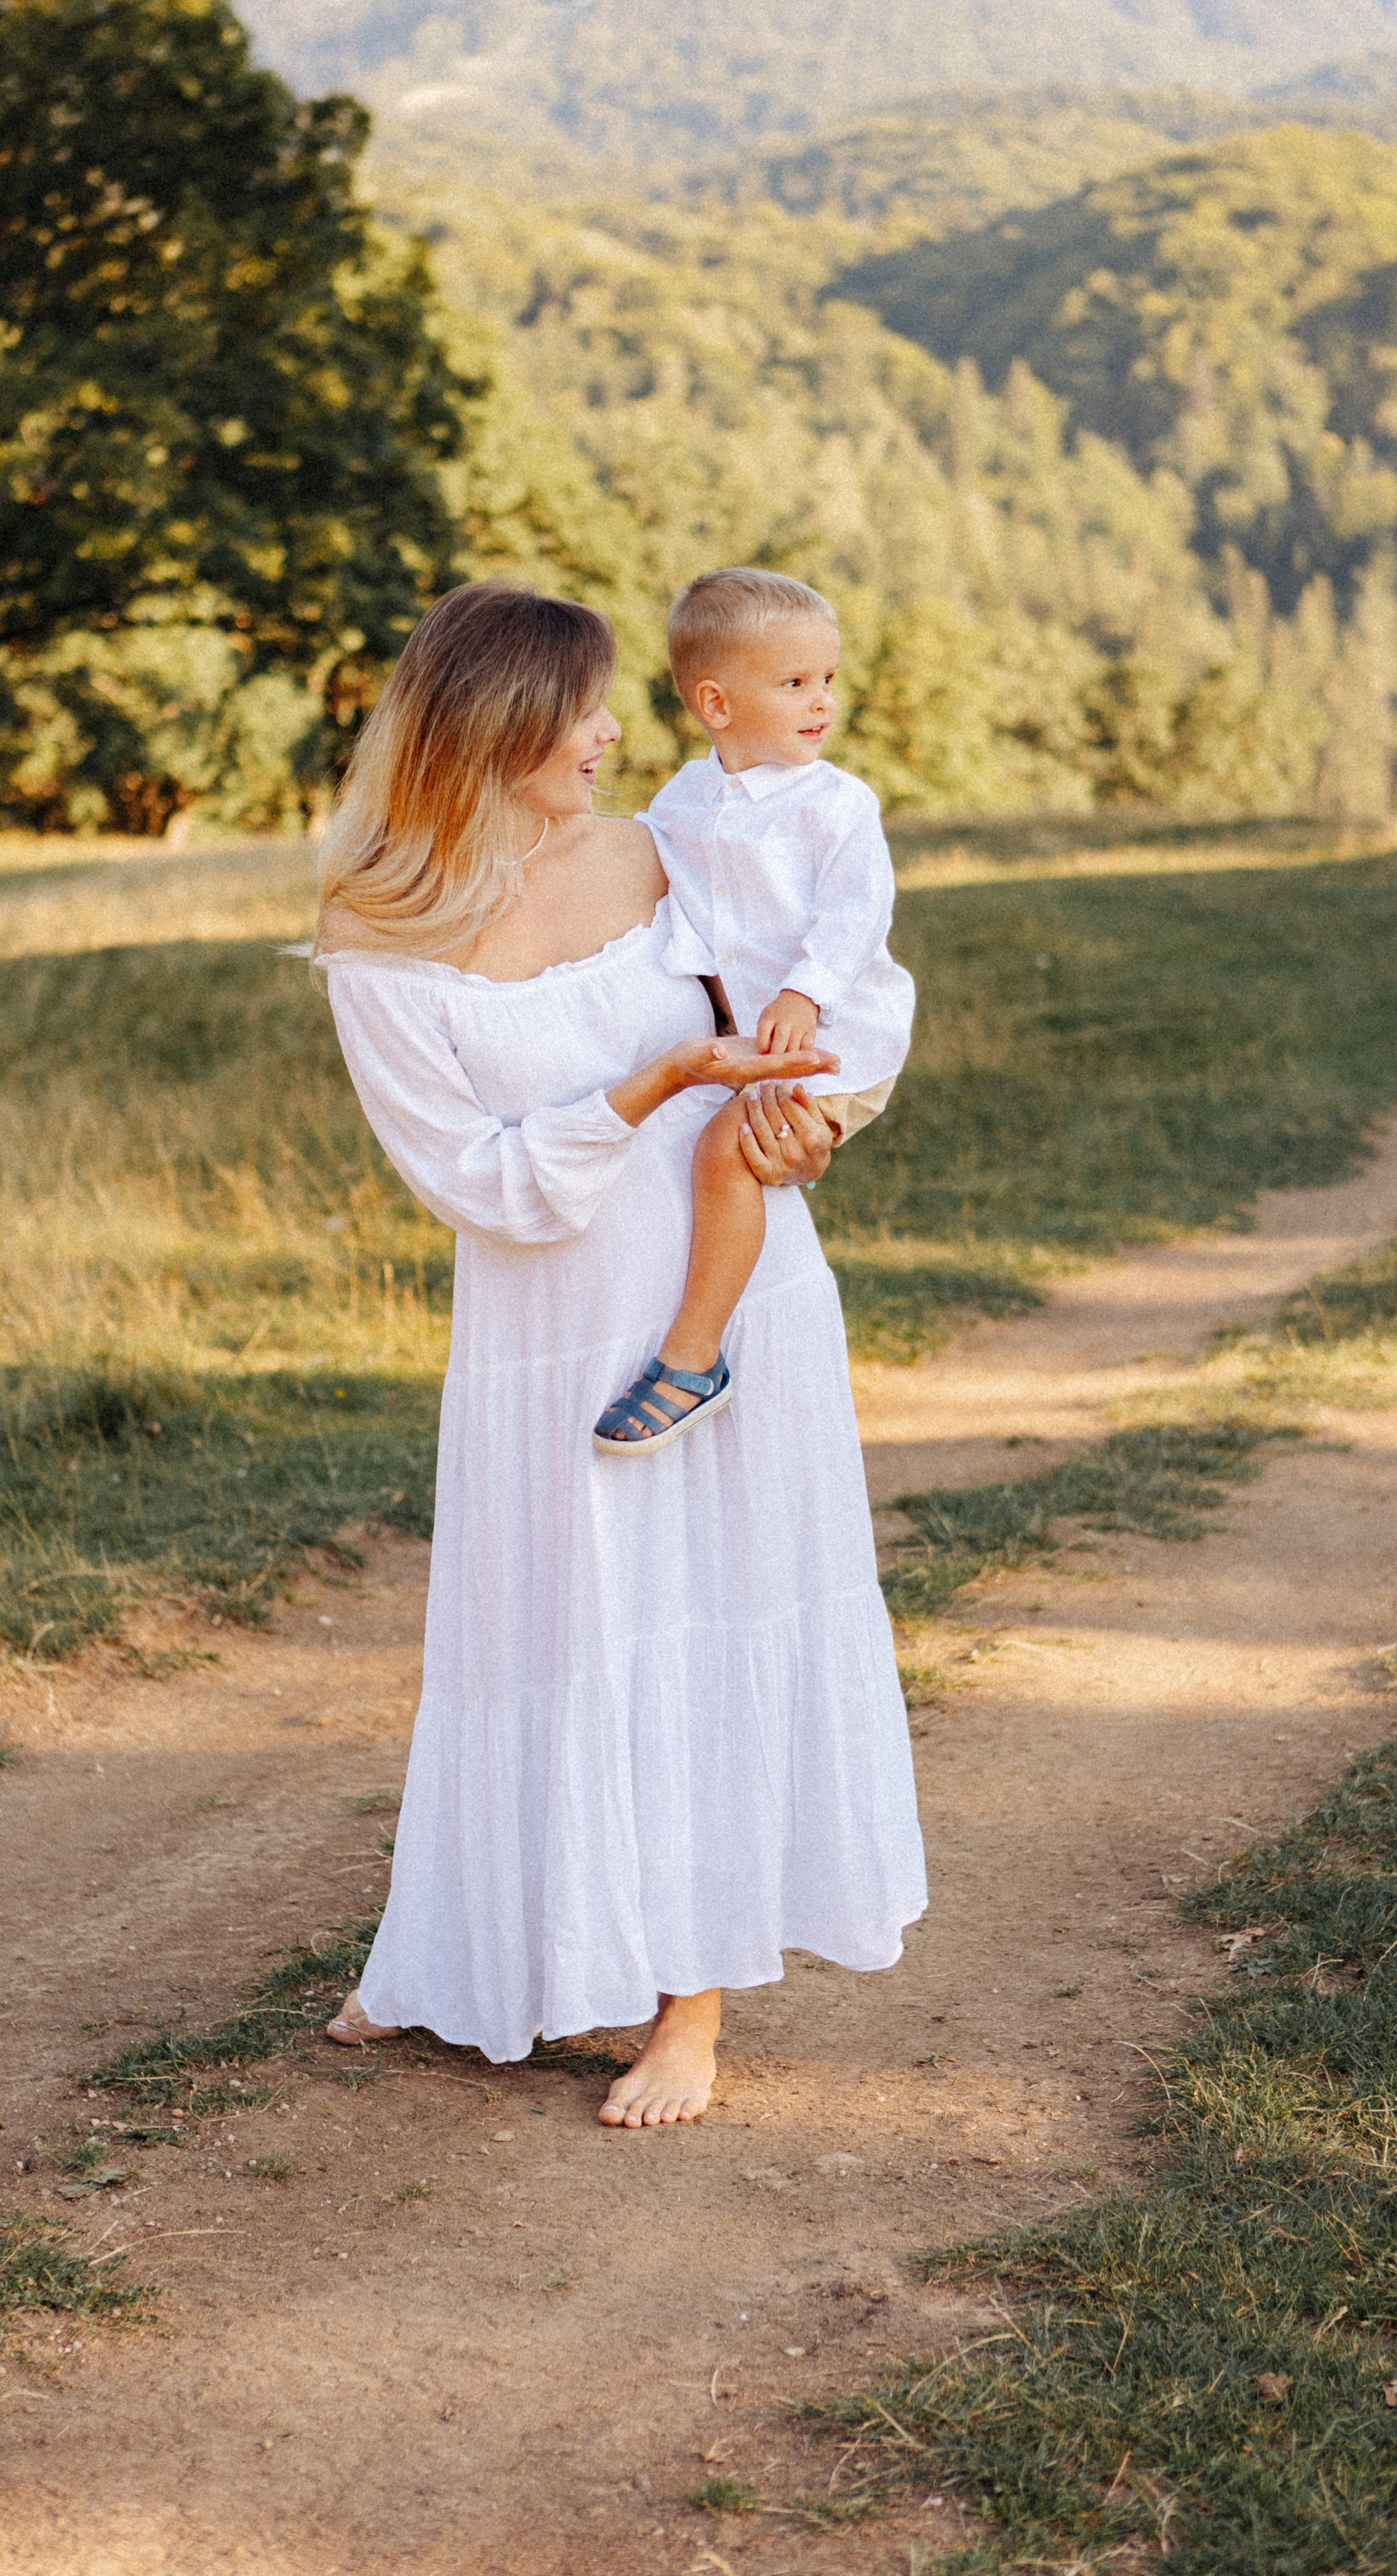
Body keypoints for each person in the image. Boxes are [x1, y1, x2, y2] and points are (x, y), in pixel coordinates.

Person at [311, 578, 928, 2127]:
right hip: (548, 1319)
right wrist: (652, 1084)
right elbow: (475, 1179)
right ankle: (454, 1947)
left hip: (725, 1294)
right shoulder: (378, 924)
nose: (607, 732)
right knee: (543, 1634)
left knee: (697, 1618)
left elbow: (809, 1005)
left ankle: (689, 2010)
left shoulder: (667, 851)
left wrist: (799, 1122)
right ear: (496, 722)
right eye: (579, 710)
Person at [593, 568, 916, 1455]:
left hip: (835, 1037)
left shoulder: (837, 805)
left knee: (727, 1147)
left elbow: (856, 914)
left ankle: (694, 1358)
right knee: (704, 1135)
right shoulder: (678, 806)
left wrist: (805, 992)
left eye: (828, 680)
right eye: (794, 683)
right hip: (743, 1041)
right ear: (715, 702)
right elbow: (674, 916)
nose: (822, 704)